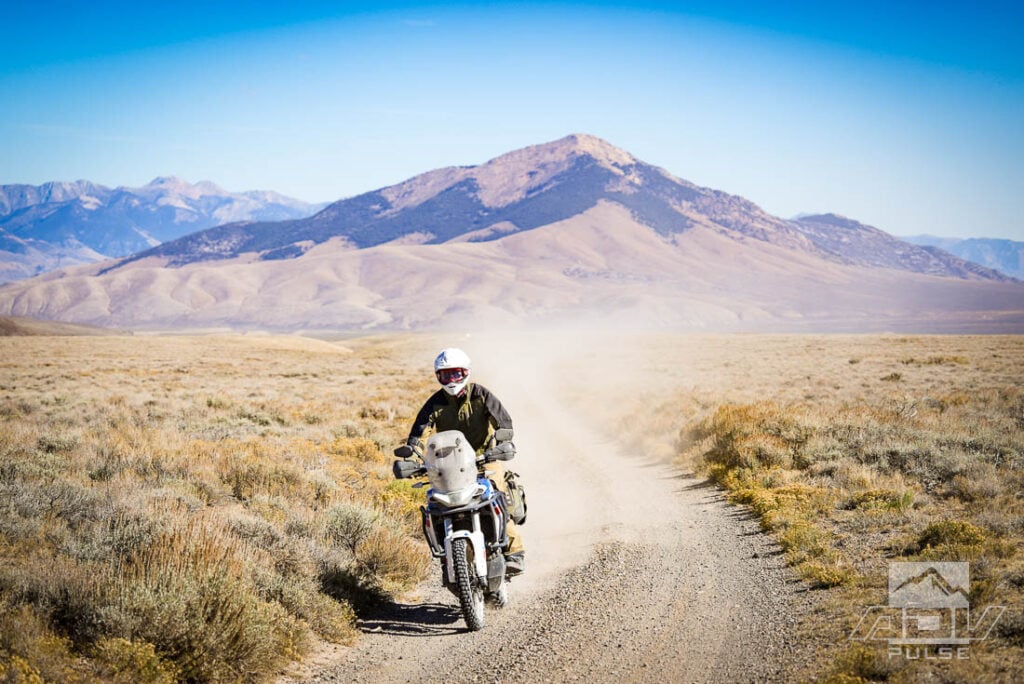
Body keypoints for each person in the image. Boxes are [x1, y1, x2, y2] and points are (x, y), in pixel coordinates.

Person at [399, 347, 525, 575]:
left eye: (456, 373)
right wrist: (414, 451)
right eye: (446, 375)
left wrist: (503, 439)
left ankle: (513, 551)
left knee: (498, 495)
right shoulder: (435, 402)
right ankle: (447, 554)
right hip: (448, 464)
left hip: (483, 458)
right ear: (438, 376)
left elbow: (503, 422)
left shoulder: (481, 395)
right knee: (436, 504)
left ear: (466, 373)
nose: (451, 379)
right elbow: (419, 432)